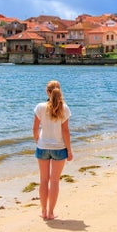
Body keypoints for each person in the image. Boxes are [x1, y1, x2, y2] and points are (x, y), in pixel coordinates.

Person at [33, 79, 72, 220]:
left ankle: (43, 212)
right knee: (55, 181)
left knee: (43, 180)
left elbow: (35, 129)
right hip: (59, 148)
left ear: (47, 92)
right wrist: (69, 150)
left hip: (43, 147)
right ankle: (50, 213)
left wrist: (39, 141)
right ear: (59, 91)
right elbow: (65, 131)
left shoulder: (40, 107)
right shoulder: (65, 108)